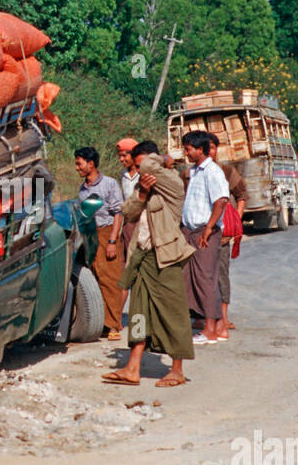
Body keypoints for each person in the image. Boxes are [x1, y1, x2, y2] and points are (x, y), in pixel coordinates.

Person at [102, 140, 196, 388]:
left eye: (141, 160)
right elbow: (128, 211)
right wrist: (142, 194)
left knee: (173, 313)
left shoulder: (173, 183)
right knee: (138, 313)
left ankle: (177, 369)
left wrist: (162, 158)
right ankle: (132, 367)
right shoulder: (146, 186)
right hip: (142, 256)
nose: (139, 167)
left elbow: (147, 167)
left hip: (165, 257)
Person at [180, 131, 230, 346]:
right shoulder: (194, 172)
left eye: (188, 149)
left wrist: (209, 229)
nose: (186, 152)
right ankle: (213, 326)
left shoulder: (212, 172)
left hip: (204, 233)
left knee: (206, 280)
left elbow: (221, 201)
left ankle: (211, 329)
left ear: (200, 150)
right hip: (191, 232)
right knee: (192, 279)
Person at [74, 146, 127, 340]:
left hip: (106, 234)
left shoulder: (109, 184)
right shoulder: (83, 189)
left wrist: (113, 241)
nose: (77, 168)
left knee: (111, 280)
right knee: (96, 277)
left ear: (91, 163)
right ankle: (103, 323)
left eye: (80, 164)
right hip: (90, 235)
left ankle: (114, 325)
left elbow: (118, 214)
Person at [212, 140, 247, 337]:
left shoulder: (226, 172)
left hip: (222, 235)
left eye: (212, 147)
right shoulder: (190, 174)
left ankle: (223, 317)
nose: (210, 152)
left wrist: (235, 220)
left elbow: (242, 194)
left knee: (221, 274)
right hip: (200, 235)